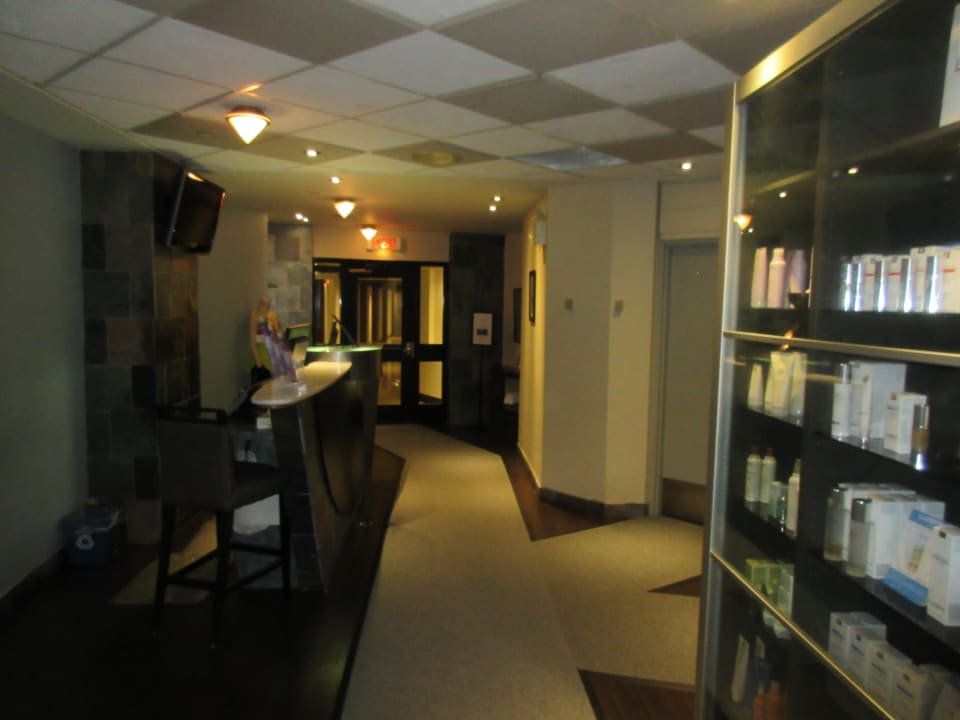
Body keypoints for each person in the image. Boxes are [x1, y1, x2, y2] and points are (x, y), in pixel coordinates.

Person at [249, 296, 281, 380]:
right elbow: (252, 342)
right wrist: (259, 365)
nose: (266, 308)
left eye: (267, 306)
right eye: (263, 305)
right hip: (262, 358)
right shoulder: (255, 316)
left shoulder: (271, 316)